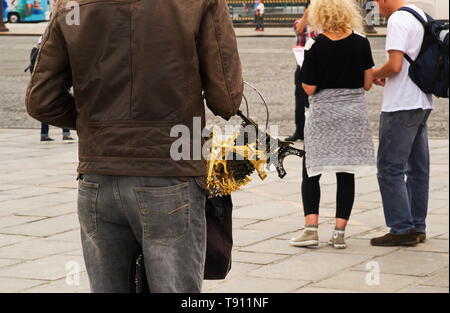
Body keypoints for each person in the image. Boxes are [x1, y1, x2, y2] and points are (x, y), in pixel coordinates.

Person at [26, 0, 243, 293]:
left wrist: (100, 128)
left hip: (98, 174)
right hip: (171, 170)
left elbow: (42, 101)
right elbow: (226, 99)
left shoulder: (71, 5)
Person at [289, 0, 376, 249]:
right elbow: (368, 83)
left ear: (321, 15)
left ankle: (311, 230)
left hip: (324, 114)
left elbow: (309, 87)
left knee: (311, 171)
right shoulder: (361, 42)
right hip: (352, 115)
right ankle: (339, 233)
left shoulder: (316, 45)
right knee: (345, 173)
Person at [370, 0, 433, 247]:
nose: (377, 6)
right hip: (422, 101)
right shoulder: (419, 14)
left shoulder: (397, 19)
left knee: (389, 168)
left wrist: (373, 73)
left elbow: (395, 66)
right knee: (418, 170)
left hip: (400, 105)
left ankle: (401, 228)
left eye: (377, 1)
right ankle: (418, 225)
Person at [285, 2, 316, 142]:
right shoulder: (299, 21)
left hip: (316, 67)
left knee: (314, 100)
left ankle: (315, 128)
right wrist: (307, 14)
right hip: (301, 66)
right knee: (299, 101)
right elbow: (299, 29)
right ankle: (299, 131)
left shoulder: (320, 25)